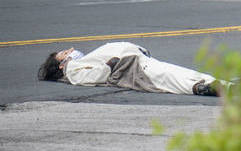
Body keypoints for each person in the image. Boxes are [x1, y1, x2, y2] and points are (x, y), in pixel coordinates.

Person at [38, 42, 222, 96]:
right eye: (64, 53)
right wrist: (112, 62)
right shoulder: (71, 69)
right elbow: (91, 77)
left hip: (136, 59)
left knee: (175, 72)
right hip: (130, 65)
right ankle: (201, 87)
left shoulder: (80, 62)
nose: (70, 50)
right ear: (61, 65)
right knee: (167, 77)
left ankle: (220, 84)